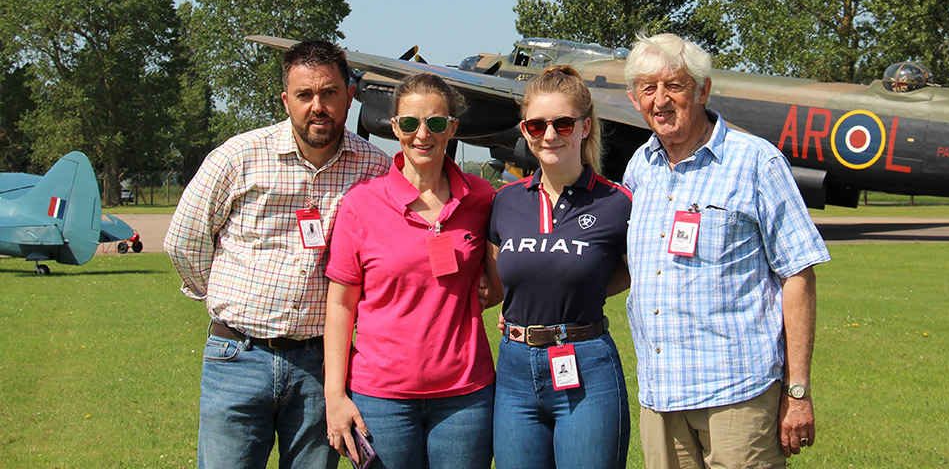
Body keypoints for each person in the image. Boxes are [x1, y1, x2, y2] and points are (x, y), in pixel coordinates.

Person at [165, 40, 391, 469]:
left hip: (320, 366)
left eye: (329, 93)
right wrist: (220, 301)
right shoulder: (238, 156)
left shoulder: (375, 169)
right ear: (286, 100)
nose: (318, 106)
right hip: (237, 357)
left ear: (350, 96)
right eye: (305, 95)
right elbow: (184, 241)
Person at [621, 33, 831, 469]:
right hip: (660, 399)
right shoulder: (639, 168)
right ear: (633, 98)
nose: (660, 100)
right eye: (648, 88)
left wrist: (798, 392)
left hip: (737, 394)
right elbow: (630, 268)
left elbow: (799, 275)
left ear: (703, 90)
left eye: (674, 86)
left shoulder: (756, 162)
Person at [323, 73, 496, 469]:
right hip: (381, 399)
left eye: (435, 123)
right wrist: (335, 396)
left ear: (452, 128)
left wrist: (491, 290)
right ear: (394, 127)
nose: (423, 134)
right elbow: (340, 307)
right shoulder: (361, 204)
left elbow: (504, 274)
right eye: (410, 123)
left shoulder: (482, 198)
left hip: (465, 396)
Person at [488, 66, 632, 469]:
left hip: (586, 363)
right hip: (515, 366)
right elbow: (502, 276)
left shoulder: (617, 202)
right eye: (536, 125)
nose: (549, 135)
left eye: (563, 124)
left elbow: (632, 270)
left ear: (585, 127)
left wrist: (581, 292)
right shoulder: (506, 200)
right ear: (524, 130)